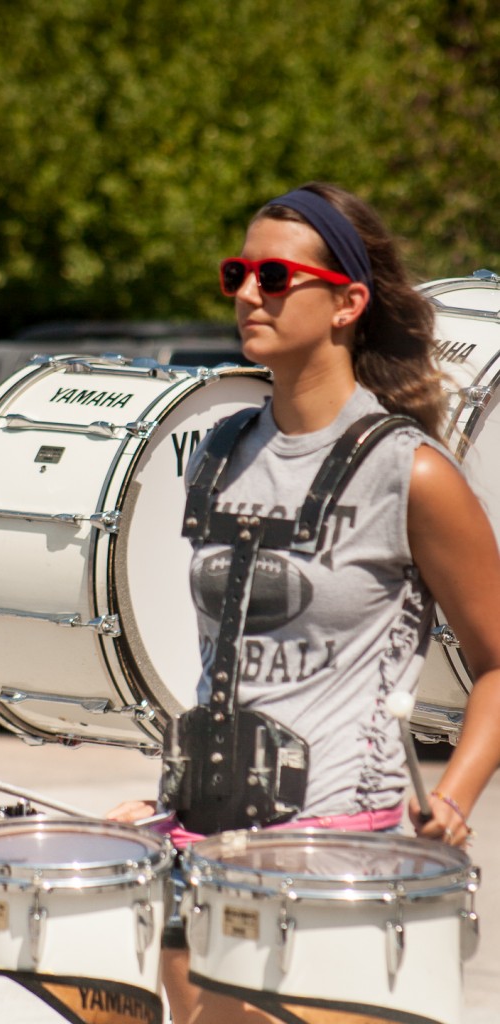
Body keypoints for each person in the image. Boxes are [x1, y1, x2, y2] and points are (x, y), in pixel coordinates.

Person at [109, 182, 500, 1024]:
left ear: (348, 303)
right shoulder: (217, 450)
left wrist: (458, 797)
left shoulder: (413, 472)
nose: (249, 292)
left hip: (340, 863)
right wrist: (173, 791)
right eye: (238, 272)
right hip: (204, 849)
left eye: (275, 276)